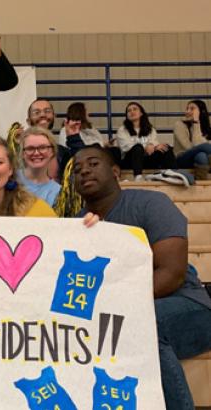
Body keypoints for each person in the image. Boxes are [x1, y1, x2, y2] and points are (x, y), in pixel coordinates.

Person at [73, 145, 211, 410]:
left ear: (115, 172)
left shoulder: (150, 203)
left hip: (190, 306)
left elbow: (172, 274)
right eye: (77, 169)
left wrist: (117, 310)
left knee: (143, 325)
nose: (84, 171)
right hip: (117, 317)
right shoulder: (78, 225)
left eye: (93, 164)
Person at [117, 102, 176, 180]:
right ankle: (138, 177)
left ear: (141, 113)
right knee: (137, 148)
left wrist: (154, 146)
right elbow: (125, 147)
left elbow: (154, 143)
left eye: (134, 109)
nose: (132, 112)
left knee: (166, 147)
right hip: (130, 161)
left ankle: (174, 174)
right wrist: (145, 147)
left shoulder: (150, 129)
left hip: (146, 160)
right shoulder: (122, 130)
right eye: (129, 111)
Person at [17, 127, 61, 206]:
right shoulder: (10, 179)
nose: (36, 153)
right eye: (30, 148)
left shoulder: (58, 192)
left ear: (52, 151)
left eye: (42, 147)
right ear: (23, 153)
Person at [173, 99, 211, 180]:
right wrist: (196, 123)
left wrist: (197, 124)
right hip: (182, 158)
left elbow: (201, 150)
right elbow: (190, 147)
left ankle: (201, 184)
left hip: (200, 160)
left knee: (201, 156)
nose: (188, 111)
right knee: (206, 146)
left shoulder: (206, 127)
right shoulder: (179, 125)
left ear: (201, 111)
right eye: (187, 108)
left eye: (192, 108)